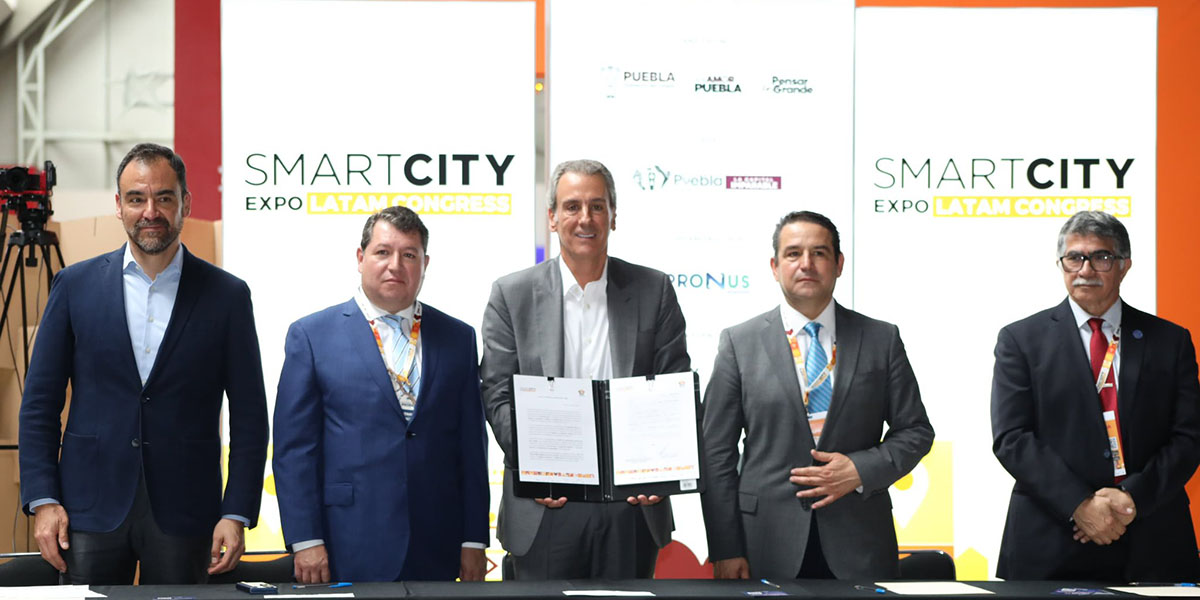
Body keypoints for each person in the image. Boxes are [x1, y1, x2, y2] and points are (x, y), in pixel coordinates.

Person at [18, 143, 269, 584]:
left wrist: (236, 512)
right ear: (119, 206)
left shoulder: (227, 296)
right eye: (136, 198)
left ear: (185, 203)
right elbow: (39, 404)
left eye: (164, 197)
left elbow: (250, 417)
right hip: (86, 510)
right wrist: (43, 499)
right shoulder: (74, 286)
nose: (150, 211)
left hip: (188, 513)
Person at [481, 159, 689, 579]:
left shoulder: (654, 289)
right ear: (552, 217)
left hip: (631, 504)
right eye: (572, 206)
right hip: (545, 504)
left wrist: (659, 470)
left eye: (597, 206)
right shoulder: (512, 294)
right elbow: (497, 394)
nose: (585, 218)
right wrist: (538, 467)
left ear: (613, 215)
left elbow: (674, 388)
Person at [701, 210, 933, 580]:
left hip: (859, 541)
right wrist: (726, 548)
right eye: (793, 254)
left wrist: (860, 470)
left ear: (839, 264)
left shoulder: (881, 339)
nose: (806, 264)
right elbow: (715, 452)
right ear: (775, 267)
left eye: (819, 253)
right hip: (764, 543)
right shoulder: (739, 343)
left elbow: (916, 431)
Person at [273, 206, 488, 583]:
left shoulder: (458, 337)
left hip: (436, 541)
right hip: (345, 540)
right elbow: (295, 450)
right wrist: (306, 539)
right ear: (360, 258)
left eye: (409, 255)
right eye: (383, 252)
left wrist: (473, 539)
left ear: (425, 263)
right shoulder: (312, 335)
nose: (395, 265)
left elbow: (471, 446)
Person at [991, 210, 1200, 581]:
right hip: (1051, 539)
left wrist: (1132, 498)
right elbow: (1012, 438)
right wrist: (1080, 504)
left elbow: (1189, 436)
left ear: (1124, 265)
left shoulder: (1170, 340)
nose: (1085, 269)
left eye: (1101, 257)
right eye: (1074, 257)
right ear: (1061, 264)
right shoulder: (1021, 340)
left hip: (1152, 537)